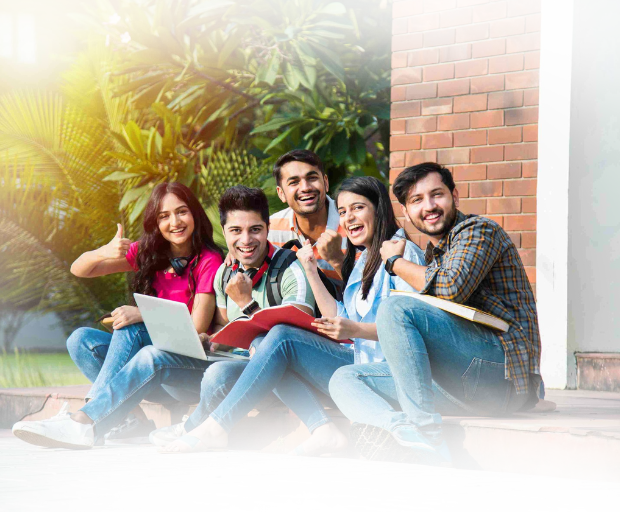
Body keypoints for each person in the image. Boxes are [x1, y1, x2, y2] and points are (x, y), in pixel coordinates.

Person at [161, 176, 425, 455]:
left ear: (379, 208)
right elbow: (340, 317)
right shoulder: (365, 259)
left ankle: (214, 427)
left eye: (358, 208)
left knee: (277, 338)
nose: (348, 218)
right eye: (344, 212)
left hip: (383, 371)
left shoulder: (401, 254)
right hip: (357, 360)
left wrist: (355, 330)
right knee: (222, 371)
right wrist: (311, 269)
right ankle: (321, 429)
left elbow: (408, 328)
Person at [330, 162, 542, 462]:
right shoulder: (434, 254)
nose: (428, 206)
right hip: (460, 383)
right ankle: (409, 433)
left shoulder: (479, 230)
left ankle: (426, 433)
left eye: (436, 195)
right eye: (416, 200)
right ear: (406, 212)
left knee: (394, 306)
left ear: (454, 196)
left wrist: (394, 263)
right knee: (344, 378)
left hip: (501, 379)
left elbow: (451, 287)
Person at [12, 183, 224, 447]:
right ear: (155, 222)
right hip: (144, 374)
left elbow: (197, 327)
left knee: (132, 326)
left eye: (182, 212)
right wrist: (103, 252)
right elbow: (80, 269)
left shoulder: (209, 260)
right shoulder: (151, 254)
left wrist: (142, 313)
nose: (175, 222)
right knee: (80, 340)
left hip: (180, 374)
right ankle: (131, 419)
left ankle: (85, 419)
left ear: (194, 214)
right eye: (164, 216)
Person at [266, 149, 348, 280]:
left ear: (325, 183)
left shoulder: (352, 223)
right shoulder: (269, 229)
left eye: (312, 178)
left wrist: (337, 260)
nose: (305, 187)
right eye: (294, 182)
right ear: (281, 193)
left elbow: (370, 292)